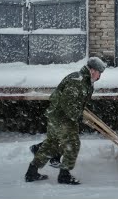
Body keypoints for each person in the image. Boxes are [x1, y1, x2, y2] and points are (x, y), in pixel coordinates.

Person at [24, 56, 107, 185]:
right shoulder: (78, 81)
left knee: (51, 144)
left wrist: (80, 112)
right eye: (99, 72)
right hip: (63, 118)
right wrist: (77, 115)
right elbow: (68, 103)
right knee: (72, 144)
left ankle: (31, 172)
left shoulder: (84, 80)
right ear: (92, 70)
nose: (100, 76)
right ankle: (64, 175)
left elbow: (76, 101)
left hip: (56, 116)